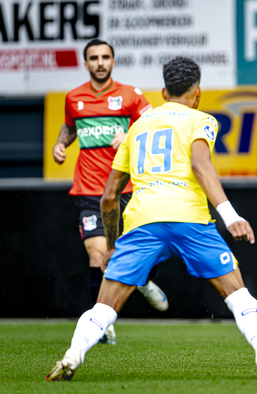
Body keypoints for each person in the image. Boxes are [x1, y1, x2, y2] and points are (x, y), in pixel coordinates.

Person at [46, 57, 257, 381]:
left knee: (105, 306)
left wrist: (112, 245)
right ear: (198, 92)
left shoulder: (136, 127)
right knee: (237, 294)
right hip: (189, 219)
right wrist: (230, 214)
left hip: (143, 221)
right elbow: (201, 166)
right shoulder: (201, 119)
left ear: (164, 91)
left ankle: (72, 355)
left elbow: (109, 196)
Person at [52, 39, 169, 344]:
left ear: (113, 61)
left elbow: (155, 125)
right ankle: (100, 323)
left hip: (127, 186)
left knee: (145, 249)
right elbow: (71, 127)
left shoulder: (131, 95)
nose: (100, 62)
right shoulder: (73, 97)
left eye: (105, 57)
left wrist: (129, 134)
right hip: (89, 189)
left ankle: (142, 281)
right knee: (98, 252)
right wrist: (61, 143)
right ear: (86, 63)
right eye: (94, 58)